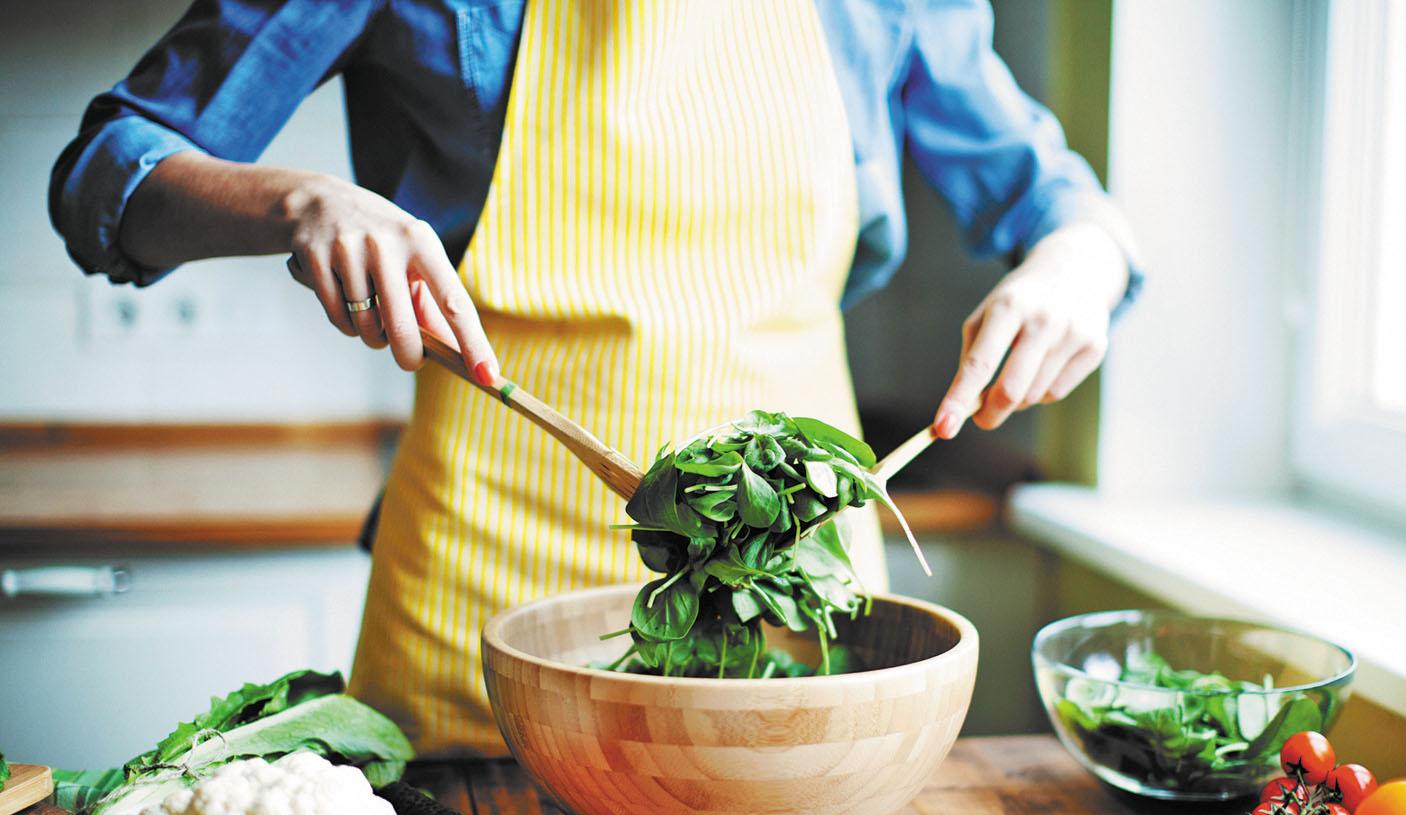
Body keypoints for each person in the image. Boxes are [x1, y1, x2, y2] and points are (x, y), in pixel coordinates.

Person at [51, 0, 1143, 757]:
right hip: (477, 613)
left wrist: (1078, 265)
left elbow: (1056, 198)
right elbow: (106, 170)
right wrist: (301, 203)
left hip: (800, 594)